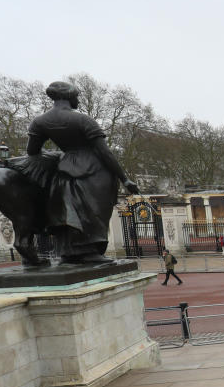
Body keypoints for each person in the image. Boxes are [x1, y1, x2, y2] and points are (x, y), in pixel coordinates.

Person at [23, 81, 140, 263]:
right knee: (94, 212)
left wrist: (55, 155)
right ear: (69, 97)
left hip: (65, 169)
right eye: (76, 96)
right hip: (94, 171)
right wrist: (125, 179)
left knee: (70, 212)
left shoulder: (40, 122)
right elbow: (104, 152)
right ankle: (91, 252)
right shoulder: (82, 119)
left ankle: (69, 253)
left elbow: (32, 152)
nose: (77, 99)